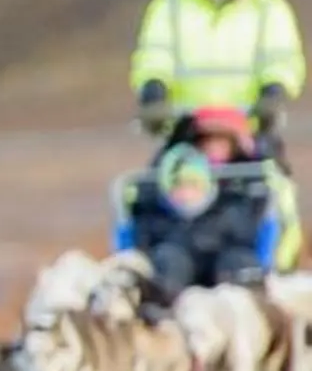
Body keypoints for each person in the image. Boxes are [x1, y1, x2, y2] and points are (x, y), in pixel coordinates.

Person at [132, 0, 305, 152]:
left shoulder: (269, 8)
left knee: (272, 187)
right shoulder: (169, 7)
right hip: (187, 135)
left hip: (250, 133)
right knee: (152, 188)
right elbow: (154, 57)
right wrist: (153, 91)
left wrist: (274, 93)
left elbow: (282, 59)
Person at [119, 103, 297, 291]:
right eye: (207, 141)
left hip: (228, 250)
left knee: (239, 265)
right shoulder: (176, 167)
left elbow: (252, 228)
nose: (213, 148)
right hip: (181, 246)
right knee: (168, 261)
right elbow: (148, 217)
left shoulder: (252, 180)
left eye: (222, 141)